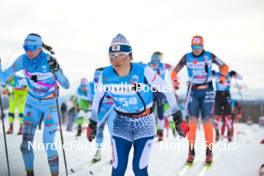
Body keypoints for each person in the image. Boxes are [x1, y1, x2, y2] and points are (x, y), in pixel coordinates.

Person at [87, 34, 189, 176]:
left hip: (144, 123)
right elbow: (97, 98)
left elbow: (166, 90)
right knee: (118, 169)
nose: (116, 60)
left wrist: (177, 117)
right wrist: (92, 122)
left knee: (139, 169)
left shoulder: (143, 70)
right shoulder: (106, 74)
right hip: (121, 122)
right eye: (112, 55)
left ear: (130, 56)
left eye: (121, 55)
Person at [0, 33, 70, 176]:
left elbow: (66, 84)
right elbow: (3, 78)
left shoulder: (49, 60)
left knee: (48, 142)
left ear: (39, 47)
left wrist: (56, 69)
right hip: (32, 104)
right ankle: (29, 173)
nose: (28, 51)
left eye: (32, 47)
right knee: (25, 145)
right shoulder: (22, 60)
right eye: (25, 47)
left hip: (51, 104)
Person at [173, 35, 229, 165]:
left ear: (202, 46)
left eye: (198, 47)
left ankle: (209, 152)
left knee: (206, 121)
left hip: (208, 90)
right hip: (193, 90)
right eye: (193, 47)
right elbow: (174, 72)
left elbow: (224, 66)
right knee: (192, 121)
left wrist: (223, 77)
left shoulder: (210, 56)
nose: (196, 49)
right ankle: (191, 151)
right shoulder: (186, 57)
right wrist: (175, 81)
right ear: (191, 47)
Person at [89, 67, 116, 163]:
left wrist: (111, 97)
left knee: (113, 132)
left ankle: (114, 154)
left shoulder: (111, 82)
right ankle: (98, 151)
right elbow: (92, 97)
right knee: (99, 131)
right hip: (100, 110)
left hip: (112, 110)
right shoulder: (92, 85)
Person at [148, 51, 174, 141]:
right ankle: (151, 132)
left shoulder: (163, 65)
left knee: (160, 112)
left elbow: (174, 69)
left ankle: (160, 132)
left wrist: (175, 80)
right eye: (154, 58)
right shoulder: (147, 65)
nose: (155, 61)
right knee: (149, 112)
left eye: (158, 58)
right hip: (149, 91)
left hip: (160, 92)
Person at [213, 70, 242, 142]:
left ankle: (229, 133)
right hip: (218, 95)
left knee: (228, 117)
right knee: (217, 117)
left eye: (224, 69)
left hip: (227, 95)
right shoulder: (217, 74)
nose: (223, 70)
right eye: (221, 68)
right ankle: (217, 133)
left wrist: (235, 73)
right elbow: (207, 75)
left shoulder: (229, 74)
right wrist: (210, 72)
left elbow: (240, 78)